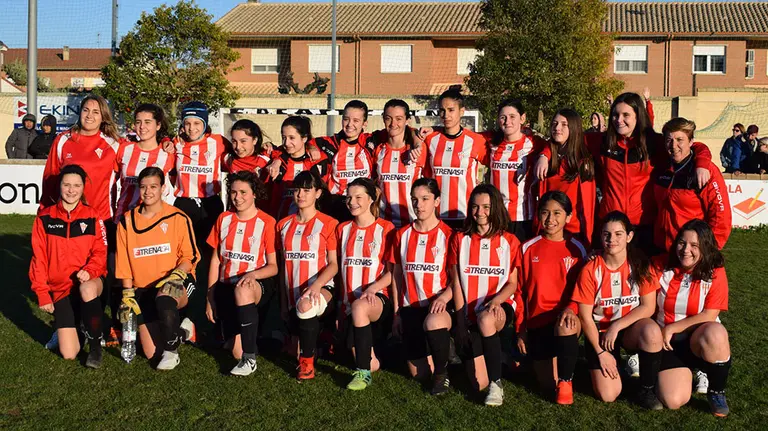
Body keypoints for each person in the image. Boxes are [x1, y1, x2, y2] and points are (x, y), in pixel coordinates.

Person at [535, 92, 712, 253]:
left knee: (641, 285)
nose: (619, 120)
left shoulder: (654, 143)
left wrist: (702, 161)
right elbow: (567, 138)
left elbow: (693, 146)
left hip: (644, 227)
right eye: (615, 114)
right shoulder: (602, 142)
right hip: (610, 225)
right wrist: (545, 154)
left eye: (626, 115)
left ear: (638, 116)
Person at [571, 211, 663, 409]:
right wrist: (600, 352)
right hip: (600, 333)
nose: (612, 239)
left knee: (652, 331)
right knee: (608, 395)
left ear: (629, 236)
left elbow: (649, 306)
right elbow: (585, 316)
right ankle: (602, 364)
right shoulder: (590, 270)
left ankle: (646, 389)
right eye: (606, 234)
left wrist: (617, 325)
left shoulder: (640, 264)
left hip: (628, 328)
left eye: (618, 234)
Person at [116, 167, 199, 370]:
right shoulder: (127, 221)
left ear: (163, 188)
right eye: (143, 187)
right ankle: (182, 331)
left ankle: (172, 353)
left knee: (164, 297)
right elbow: (124, 262)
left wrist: (177, 275)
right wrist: (127, 293)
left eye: (153, 186)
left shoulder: (178, 217)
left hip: (176, 280)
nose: (148, 192)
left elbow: (191, 256)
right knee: (152, 352)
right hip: (143, 287)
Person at [448, 184, 521, 406]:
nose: (480, 212)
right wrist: (460, 323)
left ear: (496, 208)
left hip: (499, 306)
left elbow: (512, 283)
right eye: (475, 207)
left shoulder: (509, 241)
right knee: (478, 382)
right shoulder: (459, 239)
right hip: (469, 311)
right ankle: (502, 358)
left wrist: (495, 302)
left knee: (486, 319)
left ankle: (497, 386)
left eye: (486, 207)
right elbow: (457, 283)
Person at [29, 164, 107, 367]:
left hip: (89, 282)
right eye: (67, 185)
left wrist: (90, 270)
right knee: (69, 353)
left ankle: (96, 347)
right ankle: (79, 327)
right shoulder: (44, 218)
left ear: (83, 188)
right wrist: (43, 293)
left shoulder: (93, 216)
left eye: (76, 185)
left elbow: (101, 252)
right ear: (60, 187)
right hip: (61, 289)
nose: (71, 190)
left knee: (87, 288)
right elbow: (39, 258)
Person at [654, 220, 732, 417]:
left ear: (705, 247)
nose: (686, 250)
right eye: (682, 243)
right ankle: (685, 372)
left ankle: (716, 391)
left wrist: (673, 328)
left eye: (694, 245)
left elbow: (710, 314)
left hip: (699, 338)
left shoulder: (715, 272)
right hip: (668, 344)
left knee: (716, 332)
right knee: (673, 400)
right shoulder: (661, 265)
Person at [517, 191, 587, 405]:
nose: (550, 219)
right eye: (545, 213)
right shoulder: (527, 248)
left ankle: (567, 382)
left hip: (566, 320)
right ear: (538, 215)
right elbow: (519, 292)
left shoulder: (578, 249)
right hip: (538, 322)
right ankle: (543, 361)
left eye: (557, 213)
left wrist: (572, 309)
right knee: (547, 383)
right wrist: (521, 330)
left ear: (568, 216)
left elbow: (584, 290)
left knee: (565, 328)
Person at [206, 171, 278, 376]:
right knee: (234, 350)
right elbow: (215, 260)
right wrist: (209, 296)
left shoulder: (267, 222)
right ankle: (245, 340)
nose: (238, 197)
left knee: (244, 290)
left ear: (255, 193)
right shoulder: (223, 218)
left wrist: (253, 275)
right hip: (226, 287)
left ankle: (250, 359)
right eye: (234, 192)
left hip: (254, 286)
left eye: (243, 192)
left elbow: (273, 266)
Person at [389, 177, 454, 395]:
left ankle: (443, 373)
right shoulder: (401, 234)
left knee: (434, 322)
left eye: (425, 199)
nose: (419, 205)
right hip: (410, 308)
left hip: (437, 308)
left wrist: (445, 297)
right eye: (415, 199)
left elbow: (457, 280)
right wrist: (397, 313)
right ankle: (440, 351)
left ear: (437, 201)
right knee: (418, 374)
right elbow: (397, 276)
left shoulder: (449, 235)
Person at [277, 170, 338, 381]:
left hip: (321, 288)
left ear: (318, 194)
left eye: (307, 190)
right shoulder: (283, 225)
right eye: (297, 190)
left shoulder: (329, 224)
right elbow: (284, 268)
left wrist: (316, 286)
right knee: (290, 348)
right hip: (293, 292)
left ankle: (307, 364)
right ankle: (318, 341)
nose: (300, 195)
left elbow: (333, 265)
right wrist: (284, 304)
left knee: (306, 305)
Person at [336, 178, 396, 390]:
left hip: (377, 300)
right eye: (349, 197)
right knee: (373, 363)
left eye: (358, 197)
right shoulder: (342, 229)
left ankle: (362, 375)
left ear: (371, 199)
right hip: (349, 306)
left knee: (360, 306)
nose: (352, 202)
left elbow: (392, 273)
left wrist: (373, 288)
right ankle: (377, 356)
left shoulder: (387, 228)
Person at [653, 118, 731, 252]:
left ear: (691, 142)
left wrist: (709, 251)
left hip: (688, 251)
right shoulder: (660, 166)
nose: (673, 145)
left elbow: (720, 216)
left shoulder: (706, 171)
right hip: (661, 250)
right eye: (669, 140)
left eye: (680, 140)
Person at [41, 95, 120, 221]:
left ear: (103, 117)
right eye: (85, 110)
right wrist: (44, 211)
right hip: (68, 219)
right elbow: (49, 179)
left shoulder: (114, 145)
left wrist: (164, 141)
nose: (89, 116)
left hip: (102, 219)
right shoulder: (63, 140)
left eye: (96, 112)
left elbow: (143, 148)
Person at [422, 88, 488, 229]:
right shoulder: (430, 139)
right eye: (442, 110)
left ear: (462, 111)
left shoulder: (475, 140)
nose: (446, 115)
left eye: (451, 110)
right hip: (436, 215)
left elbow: (494, 160)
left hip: (466, 214)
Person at [485, 99, 545, 240]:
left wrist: (544, 156)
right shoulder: (490, 143)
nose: (507, 121)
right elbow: (461, 134)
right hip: (497, 216)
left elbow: (552, 147)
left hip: (524, 217)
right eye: (503, 117)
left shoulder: (534, 144)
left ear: (522, 118)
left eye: (512, 117)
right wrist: (434, 129)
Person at [171, 101, 230, 245]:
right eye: (187, 123)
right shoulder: (175, 143)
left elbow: (242, 151)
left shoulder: (218, 141)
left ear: (205, 123)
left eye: (197, 123)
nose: (192, 128)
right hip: (184, 203)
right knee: (184, 247)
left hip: (210, 203)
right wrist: (166, 140)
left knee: (210, 249)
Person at [538, 108, 596, 247]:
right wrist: (543, 155)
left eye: (564, 124)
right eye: (554, 124)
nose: (557, 128)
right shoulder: (548, 156)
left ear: (574, 128)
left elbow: (587, 205)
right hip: (548, 228)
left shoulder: (582, 161)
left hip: (573, 231)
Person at [372, 99, 430, 228]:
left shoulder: (418, 149)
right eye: (388, 118)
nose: (393, 123)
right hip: (384, 224)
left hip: (413, 222)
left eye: (399, 119)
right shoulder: (378, 150)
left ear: (407, 120)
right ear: (383, 119)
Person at [314, 100, 375, 222]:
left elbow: (401, 131)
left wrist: (417, 139)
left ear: (364, 124)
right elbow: (301, 144)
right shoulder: (329, 143)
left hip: (364, 205)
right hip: (336, 204)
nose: (349, 124)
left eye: (356, 121)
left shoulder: (371, 141)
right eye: (346, 119)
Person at [267, 116, 329, 221]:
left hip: (311, 223)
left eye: (292, 138)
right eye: (283, 137)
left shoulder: (317, 161)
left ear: (304, 138)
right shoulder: (276, 160)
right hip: (281, 222)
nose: (286, 143)